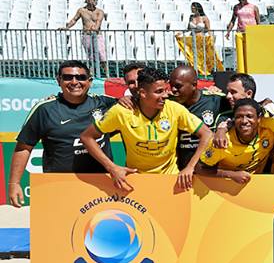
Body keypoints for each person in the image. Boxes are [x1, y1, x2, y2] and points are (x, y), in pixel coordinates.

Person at [80, 67, 213, 191]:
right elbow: (87, 137)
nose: (166, 95)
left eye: (166, 90)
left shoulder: (174, 109)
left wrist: (190, 167)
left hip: (171, 181)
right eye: (159, 91)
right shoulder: (121, 112)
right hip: (135, 181)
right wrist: (112, 167)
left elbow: (207, 134)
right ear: (143, 93)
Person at [7, 61, 118, 206]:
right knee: (60, 228)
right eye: (67, 77)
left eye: (81, 77)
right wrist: (14, 183)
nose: (74, 82)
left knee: (100, 228)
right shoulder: (45, 109)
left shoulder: (106, 103)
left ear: (89, 81)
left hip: (101, 185)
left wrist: (128, 100)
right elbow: (24, 147)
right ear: (58, 80)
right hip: (59, 185)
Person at [198, 98, 274, 184]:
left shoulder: (269, 132)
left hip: (258, 187)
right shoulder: (222, 142)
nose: (244, 121)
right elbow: (200, 169)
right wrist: (231, 175)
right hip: (227, 189)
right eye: (239, 117)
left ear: (259, 118)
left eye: (249, 116)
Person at [169, 66, 231, 171]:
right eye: (171, 86)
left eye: (178, 86)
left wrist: (266, 102)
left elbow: (243, 109)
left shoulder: (216, 100)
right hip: (180, 172)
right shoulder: (169, 104)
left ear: (194, 85)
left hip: (208, 171)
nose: (173, 90)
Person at [63, 0, 107, 75]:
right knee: (91, 56)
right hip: (87, 35)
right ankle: (92, 73)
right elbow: (74, 20)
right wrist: (67, 27)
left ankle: (107, 74)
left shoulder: (99, 11)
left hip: (97, 35)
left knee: (101, 54)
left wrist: (95, 28)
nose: (95, 1)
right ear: (88, 0)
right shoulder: (81, 10)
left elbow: (98, 22)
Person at [175, 2, 223, 75]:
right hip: (192, 38)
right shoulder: (191, 17)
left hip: (201, 39)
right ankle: (196, 71)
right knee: (194, 56)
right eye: (192, 7)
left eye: (193, 7)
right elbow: (188, 28)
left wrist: (211, 38)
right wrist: (181, 33)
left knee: (202, 56)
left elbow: (208, 29)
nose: (192, 9)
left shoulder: (204, 18)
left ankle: (205, 71)